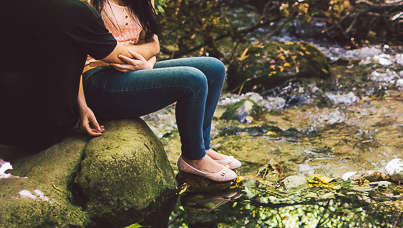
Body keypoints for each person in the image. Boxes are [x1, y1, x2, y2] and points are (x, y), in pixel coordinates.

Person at [80, 0, 240, 182]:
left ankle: (203, 146)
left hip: (135, 68)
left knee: (214, 68)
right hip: (98, 79)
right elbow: (74, 52)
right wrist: (81, 104)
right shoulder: (91, 2)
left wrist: (146, 65)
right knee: (193, 79)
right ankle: (193, 157)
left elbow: (154, 46)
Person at [0, 0, 137, 150]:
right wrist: (153, 47)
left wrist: (82, 104)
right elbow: (121, 56)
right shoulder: (77, 11)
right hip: (43, 131)